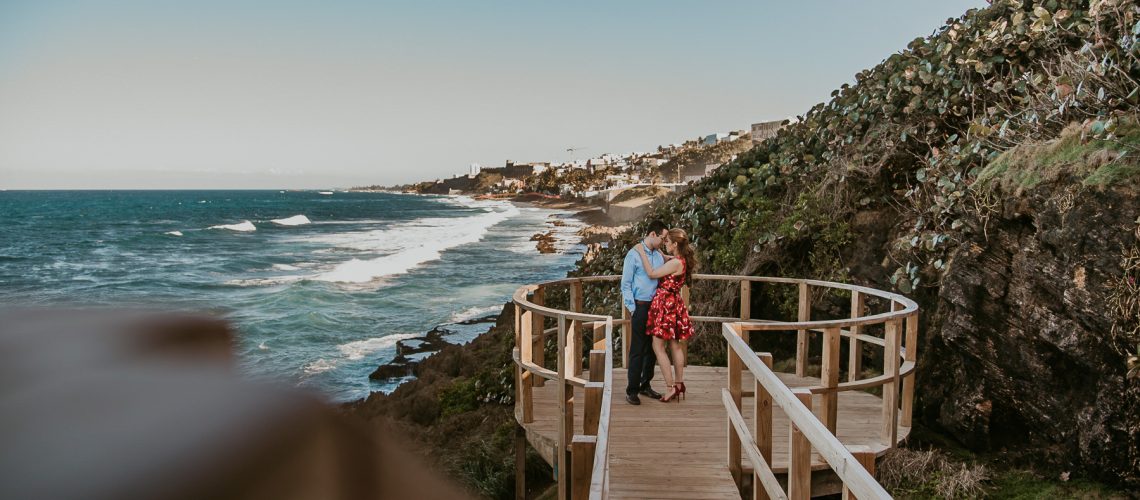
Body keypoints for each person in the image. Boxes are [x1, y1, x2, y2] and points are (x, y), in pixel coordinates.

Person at [634, 228, 697, 403]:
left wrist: (641, 252)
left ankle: (670, 388)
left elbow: (652, 273)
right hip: (674, 304)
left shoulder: (675, 263)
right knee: (675, 346)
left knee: (658, 347)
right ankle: (679, 384)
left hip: (665, 305)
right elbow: (667, 259)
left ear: (675, 244)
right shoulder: (680, 260)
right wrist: (660, 251)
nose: (665, 243)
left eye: (667, 241)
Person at [620, 220, 669, 405]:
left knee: (653, 349)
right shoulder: (633, 255)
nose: (664, 242)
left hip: (657, 308)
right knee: (637, 350)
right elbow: (625, 285)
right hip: (640, 307)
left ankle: (645, 385)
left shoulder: (658, 255)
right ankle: (632, 390)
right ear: (653, 235)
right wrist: (632, 309)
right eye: (662, 238)